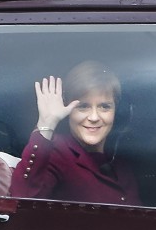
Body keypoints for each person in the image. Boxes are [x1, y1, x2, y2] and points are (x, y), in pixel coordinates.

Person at [9, 60, 140, 204]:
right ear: (69, 111)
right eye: (83, 106)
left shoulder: (121, 164)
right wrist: (47, 122)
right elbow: (21, 200)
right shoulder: (55, 153)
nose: (94, 117)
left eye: (104, 106)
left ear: (116, 111)